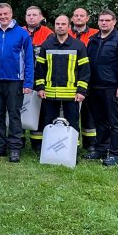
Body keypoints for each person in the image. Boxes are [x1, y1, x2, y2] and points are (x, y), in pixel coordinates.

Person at [0, 3, 34, 162]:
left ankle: (15, 148)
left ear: (11, 14)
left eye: (5, 14)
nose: (3, 17)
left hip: (15, 81)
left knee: (15, 115)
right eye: (0, 14)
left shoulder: (22, 34)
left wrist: (28, 83)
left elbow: (29, 60)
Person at [85, 10, 118, 167]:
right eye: (101, 20)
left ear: (114, 22)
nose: (104, 23)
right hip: (94, 87)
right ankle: (101, 149)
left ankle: (115, 154)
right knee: (99, 120)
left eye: (107, 20)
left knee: (115, 121)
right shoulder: (93, 40)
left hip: (113, 87)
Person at [34, 15, 90, 150]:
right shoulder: (47, 45)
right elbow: (40, 69)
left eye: (63, 24)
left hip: (71, 94)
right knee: (49, 123)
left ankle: (72, 150)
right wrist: (40, 87)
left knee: (72, 123)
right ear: (54, 26)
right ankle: (48, 149)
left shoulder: (78, 46)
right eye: (57, 24)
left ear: (69, 27)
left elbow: (85, 70)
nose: (60, 26)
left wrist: (82, 91)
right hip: (49, 93)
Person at [23, 6, 54, 152]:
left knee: (40, 109)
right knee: (20, 108)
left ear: (41, 17)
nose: (31, 17)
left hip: (41, 76)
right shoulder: (18, 32)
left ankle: (38, 141)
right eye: (28, 15)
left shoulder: (49, 34)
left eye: (34, 15)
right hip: (21, 77)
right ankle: (19, 138)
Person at [69, 7, 100, 153]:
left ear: (87, 18)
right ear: (72, 18)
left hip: (90, 78)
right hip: (69, 79)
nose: (79, 18)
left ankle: (91, 143)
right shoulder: (65, 32)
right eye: (76, 16)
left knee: (89, 112)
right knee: (70, 113)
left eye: (82, 16)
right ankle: (70, 141)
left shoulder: (95, 34)